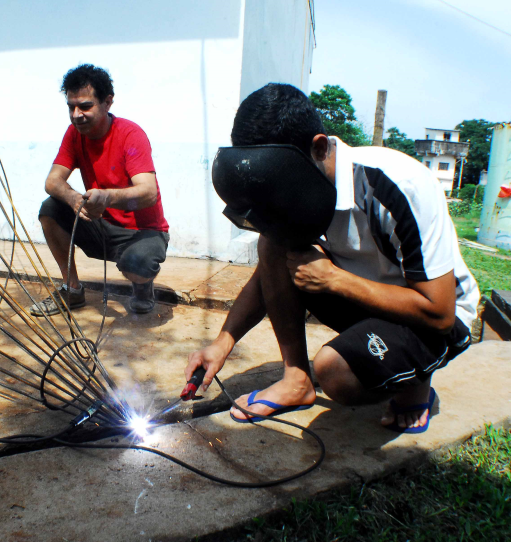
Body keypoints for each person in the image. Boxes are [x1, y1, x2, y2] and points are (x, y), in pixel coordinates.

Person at [185, 83, 479, 433]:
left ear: (320, 147)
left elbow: (441, 312)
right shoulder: (302, 191)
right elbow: (268, 271)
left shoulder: (397, 184)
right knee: (272, 244)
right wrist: (223, 343)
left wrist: (334, 279)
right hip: (370, 301)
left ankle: (416, 382)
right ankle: (296, 380)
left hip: (436, 318)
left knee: (335, 371)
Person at [29, 64, 169, 316]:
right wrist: (73, 198)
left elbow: (149, 193)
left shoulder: (130, 134)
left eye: (85, 106)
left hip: (142, 232)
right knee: (50, 208)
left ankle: (142, 285)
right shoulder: (74, 134)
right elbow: (52, 181)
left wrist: (107, 197)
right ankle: (71, 290)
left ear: (107, 102)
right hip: (101, 227)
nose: (76, 114)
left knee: (137, 263)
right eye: (71, 107)